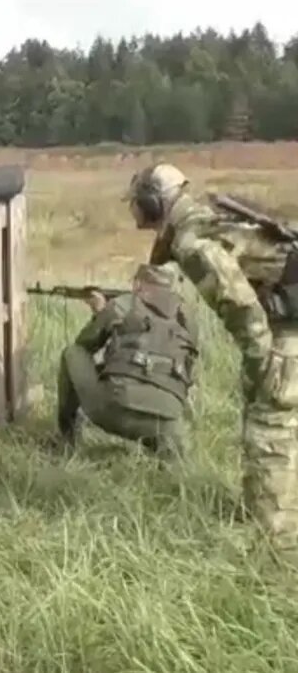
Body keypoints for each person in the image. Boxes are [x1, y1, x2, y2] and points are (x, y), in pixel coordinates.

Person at [129, 161, 298, 566]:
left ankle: (276, 554)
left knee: (270, 431)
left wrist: (265, 363)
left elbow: (239, 305)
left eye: (139, 204)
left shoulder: (193, 241)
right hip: (286, 321)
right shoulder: (210, 218)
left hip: (286, 331)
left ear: (154, 202)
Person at [57, 263, 198, 460]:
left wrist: (101, 314)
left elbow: (84, 345)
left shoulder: (122, 304)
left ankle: (67, 438)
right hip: (166, 423)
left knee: (72, 353)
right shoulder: (186, 316)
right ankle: (158, 445)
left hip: (114, 409)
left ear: (138, 284)